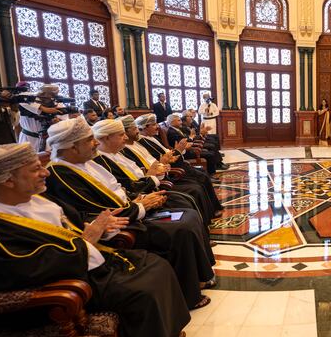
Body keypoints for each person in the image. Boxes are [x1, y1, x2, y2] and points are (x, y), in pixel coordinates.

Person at [0, 143, 191, 337]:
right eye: (36, 169)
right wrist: (87, 241)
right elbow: (31, 269)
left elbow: (73, 226)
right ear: (8, 180)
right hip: (65, 286)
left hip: (87, 261)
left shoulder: (37, 199)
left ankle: (166, 333)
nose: (45, 172)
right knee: (141, 292)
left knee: (156, 264)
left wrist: (100, 229)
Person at [43, 117, 214, 309]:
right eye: (90, 139)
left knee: (187, 213)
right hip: (124, 225)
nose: (96, 143)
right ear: (73, 147)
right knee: (182, 226)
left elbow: (119, 189)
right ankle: (190, 294)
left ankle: (200, 276)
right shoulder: (60, 172)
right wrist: (139, 206)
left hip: (132, 209)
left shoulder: (85, 163)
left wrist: (140, 199)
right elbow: (98, 211)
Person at [93, 117, 216, 230]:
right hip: (143, 196)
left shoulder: (125, 149)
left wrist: (164, 163)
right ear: (106, 138)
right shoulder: (105, 159)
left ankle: (208, 221)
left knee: (195, 187)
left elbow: (150, 165)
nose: (125, 137)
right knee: (191, 196)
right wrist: (155, 172)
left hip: (152, 185)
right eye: (122, 134)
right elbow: (129, 184)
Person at [120, 115, 222, 218]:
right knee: (197, 187)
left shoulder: (146, 140)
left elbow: (164, 154)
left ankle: (212, 210)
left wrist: (175, 153)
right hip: (164, 177)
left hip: (168, 170)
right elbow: (154, 163)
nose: (157, 127)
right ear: (144, 127)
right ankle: (208, 215)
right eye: (135, 128)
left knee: (201, 178)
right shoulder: (133, 145)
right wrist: (174, 153)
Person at [18, 84, 66, 151]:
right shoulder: (31, 100)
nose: (52, 97)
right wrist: (43, 108)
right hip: (28, 139)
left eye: (54, 95)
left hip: (47, 139)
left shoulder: (57, 103)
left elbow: (65, 120)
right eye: (50, 94)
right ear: (42, 93)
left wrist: (57, 122)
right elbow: (19, 98)